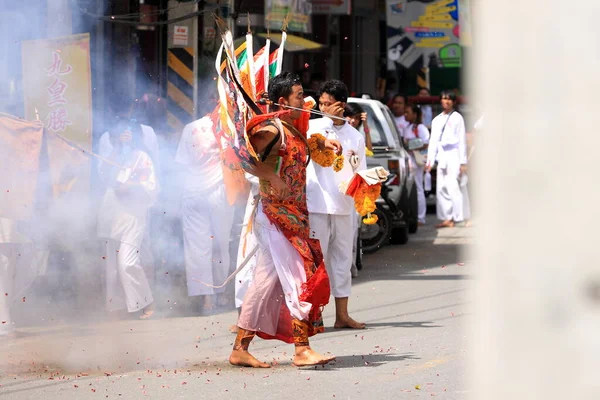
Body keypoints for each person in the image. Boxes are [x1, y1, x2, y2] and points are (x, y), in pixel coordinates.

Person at [230, 71, 341, 368]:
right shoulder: (272, 128)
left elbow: (300, 144)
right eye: (298, 95)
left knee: (263, 284)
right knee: (300, 277)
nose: (305, 100)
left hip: (291, 215)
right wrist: (270, 177)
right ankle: (302, 349)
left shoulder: (292, 127)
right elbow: (240, 154)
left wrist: (322, 144)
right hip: (277, 216)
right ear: (282, 101)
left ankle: (240, 348)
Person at [307, 80, 367, 329]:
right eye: (320, 103)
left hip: (344, 206)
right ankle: (312, 314)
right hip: (317, 204)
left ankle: (342, 314)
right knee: (314, 260)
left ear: (341, 106)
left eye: (328, 104)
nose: (323, 107)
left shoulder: (355, 136)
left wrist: (368, 193)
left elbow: (359, 172)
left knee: (342, 259)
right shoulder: (312, 128)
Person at [97, 120, 158, 319]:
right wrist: (116, 149)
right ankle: (118, 308)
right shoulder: (110, 155)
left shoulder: (142, 157)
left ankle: (147, 302)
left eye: (129, 132)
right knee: (112, 267)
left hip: (133, 215)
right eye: (121, 133)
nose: (125, 136)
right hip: (112, 214)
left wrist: (129, 187)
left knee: (127, 263)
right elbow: (104, 176)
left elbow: (149, 186)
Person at [175, 115, 234, 313]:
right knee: (220, 243)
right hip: (219, 190)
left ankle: (207, 299)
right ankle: (220, 293)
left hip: (193, 193)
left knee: (197, 247)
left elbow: (180, 165)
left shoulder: (189, 127)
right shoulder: (227, 124)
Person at [425, 90, 467, 228]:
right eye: (444, 98)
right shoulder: (437, 120)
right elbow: (433, 142)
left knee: (453, 185)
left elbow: (461, 140)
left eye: (449, 99)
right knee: (441, 187)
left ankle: (458, 217)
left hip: (454, 154)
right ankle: (447, 217)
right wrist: (430, 161)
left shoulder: (457, 118)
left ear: (453, 101)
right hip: (441, 155)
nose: (446, 101)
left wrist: (463, 161)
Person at [403, 103, 430, 226]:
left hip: (417, 161)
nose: (405, 115)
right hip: (409, 161)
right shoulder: (407, 127)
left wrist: (411, 144)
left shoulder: (420, 128)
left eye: (407, 112)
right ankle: (413, 215)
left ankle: (421, 217)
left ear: (415, 114)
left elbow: (426, 143)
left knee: (418, 188)